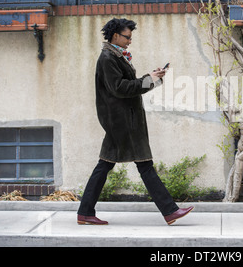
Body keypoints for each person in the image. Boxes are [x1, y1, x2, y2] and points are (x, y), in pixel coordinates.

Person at [77, 18, 193, 225]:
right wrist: (150, 79)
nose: (130, 41)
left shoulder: (115, 56)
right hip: (122, 123)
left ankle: (85, 212)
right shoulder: (107, 58)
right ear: (115, 36)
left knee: (109, 165)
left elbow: (125, 85)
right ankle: (169, 211)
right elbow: (120, 88)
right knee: (143, 164)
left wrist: (151, 77)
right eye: (127, 37)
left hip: (123, 121)